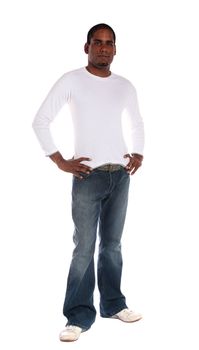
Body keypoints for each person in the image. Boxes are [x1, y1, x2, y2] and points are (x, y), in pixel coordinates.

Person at [32, 23, 144, 342]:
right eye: (98, 42)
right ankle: (78, 315)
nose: (104, 48)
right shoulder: (72, 80)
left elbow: (137, 122)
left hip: (120, 176)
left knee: (112, 245)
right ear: (87, 47)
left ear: (115, 49)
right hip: (87, 176)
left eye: (109, 43)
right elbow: (40, 121)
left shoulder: (125, 85)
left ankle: (113, 304)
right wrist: (60, 160)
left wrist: (138, 153)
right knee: (84, 247)